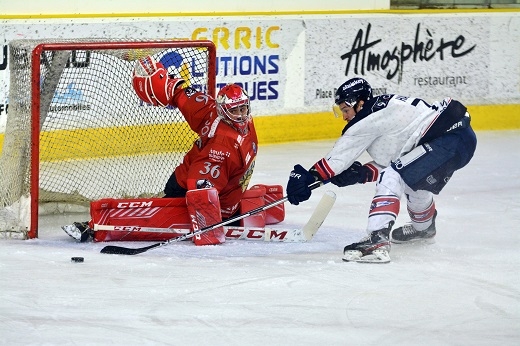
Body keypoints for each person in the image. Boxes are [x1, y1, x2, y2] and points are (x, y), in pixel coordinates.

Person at [64, 56, 284, 245]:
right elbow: (201, 193)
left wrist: (166, 84)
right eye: (234, 110)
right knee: (157, 216)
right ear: (223, 110)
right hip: (201, 193)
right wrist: (209, 229)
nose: (240, 114)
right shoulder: (221, 147)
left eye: (243, 108)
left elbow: (182, 96)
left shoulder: (209, 108)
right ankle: (99, 224)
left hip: (205, 183)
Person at [286, 77, 477, 263]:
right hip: (457, 137)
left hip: (448, 140)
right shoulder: (384, 109)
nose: (344, 116)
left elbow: (337, 160)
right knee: (411, 179)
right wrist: (362, 174)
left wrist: (307, 177)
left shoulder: (368, 116)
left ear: (359, 103)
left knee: (394, 175)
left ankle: (377, 240)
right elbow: (399, 159)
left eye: (345, 109)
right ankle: (423, 228)